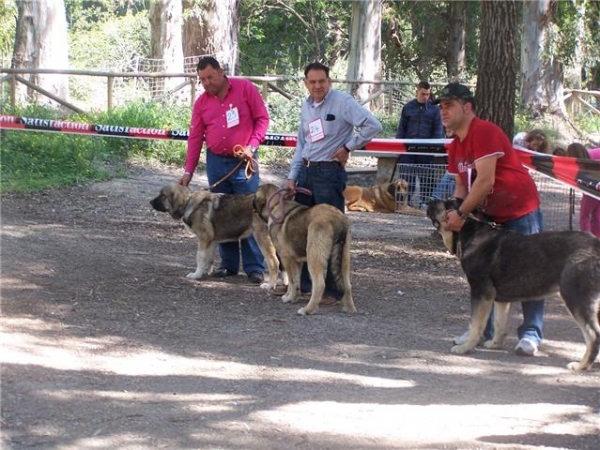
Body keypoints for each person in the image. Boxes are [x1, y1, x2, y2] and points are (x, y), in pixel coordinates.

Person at [435, 82, 545, 356]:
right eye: (441, 107)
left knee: (533, 271)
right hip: (490, 216)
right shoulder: (454, 145)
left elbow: (484, 182)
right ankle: (481, 331)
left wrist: (460, 214)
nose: (443, 111)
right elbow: (462, 186)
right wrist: (455, 212)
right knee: (482, 275)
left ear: (467, 106)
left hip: (520, 210)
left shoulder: (484, 131)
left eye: (449, 105)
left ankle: (531, 333)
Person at [286, 61, 382, 296]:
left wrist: (348, 147)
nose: (317, 86)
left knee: (330, 231)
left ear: (329, 81)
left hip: (329, 174)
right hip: (306, 173)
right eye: (312, 82)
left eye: (321, 81)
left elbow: (373, 125)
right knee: (304, 231)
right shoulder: (306, 106)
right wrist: (292, 176)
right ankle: (306, 287)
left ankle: (333, 291)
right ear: (306, 83)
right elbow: (302, 143)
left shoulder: (342, 102)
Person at [179, 56, 269, 285]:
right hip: (216, 163)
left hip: (243, 162)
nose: (207, 82)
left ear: (221, 72)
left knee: (251, 212)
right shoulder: (201, 103)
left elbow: (262, 119)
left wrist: (252, 146)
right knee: (219, 216)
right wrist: (188, 171)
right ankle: (228, 266)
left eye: (210, 77)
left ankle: (254, 268)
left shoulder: (244, 88)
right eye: (202, 79)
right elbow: (195, 138)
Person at [396, 81, 444, 208]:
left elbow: (438, 130)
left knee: (426, 177)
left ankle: (425, 202)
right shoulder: (407, 107)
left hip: (426, 148)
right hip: (408, 148)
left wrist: (435, 148)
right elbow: (402, 128)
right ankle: (406, 201)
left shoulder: (435, 109)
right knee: (406, 176)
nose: (426, 97)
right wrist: (398, 146)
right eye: (423, 94)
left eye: (428, 94)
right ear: (417, 91)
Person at [566, 143, 600, 237]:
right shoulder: (591, 155)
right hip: (596, 186)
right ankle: (597, 239)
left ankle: (587, 240)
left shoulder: (588, 159)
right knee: (596, 214)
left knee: (584, 215)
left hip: (593, 187)